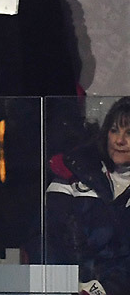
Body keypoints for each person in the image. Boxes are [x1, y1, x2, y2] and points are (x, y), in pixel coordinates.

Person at [47, 97, 130, 295]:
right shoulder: (73, 172)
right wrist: (65, 285)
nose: (119, 140)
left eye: (129, 133)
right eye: (114, 130)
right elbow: (47, 236)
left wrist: (99, 290)